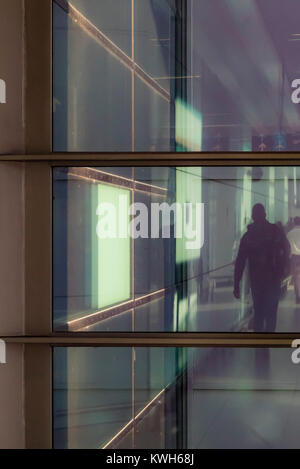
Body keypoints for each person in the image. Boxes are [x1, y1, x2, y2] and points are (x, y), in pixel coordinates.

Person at [234, 204, 290, 332]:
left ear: (253, 217)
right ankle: (268, 338)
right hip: (273, 278)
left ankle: (259, 340)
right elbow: (287, 250)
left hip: (257, 280)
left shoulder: (248, 236)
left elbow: (240, 262)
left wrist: (236, 284)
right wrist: (284, 271)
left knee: (258, 311)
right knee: (271, 312)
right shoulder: (276, 231)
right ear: (265, 214)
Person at [287, 216, 300, 304]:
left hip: (294, 257)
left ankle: (298, 296)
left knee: (296, 277)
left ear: (294, 223)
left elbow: (287, 247)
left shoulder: (290, 233)